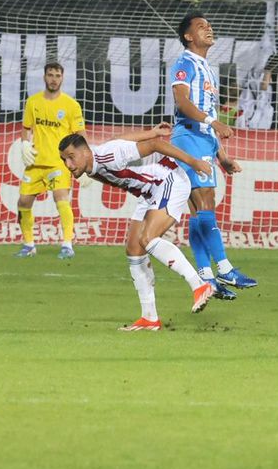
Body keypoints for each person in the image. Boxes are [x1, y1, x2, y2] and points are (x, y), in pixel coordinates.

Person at [58, 129, 216, 330]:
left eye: (71, 157)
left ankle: (199, 285)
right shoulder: (93, 162)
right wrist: (152, 131)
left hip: (168, 180)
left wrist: (193, 162)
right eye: (64, 160)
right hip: (148, 192)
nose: (68, 164)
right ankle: (149, 318)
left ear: (85, 151)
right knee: (134, 250)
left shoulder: (108, 156)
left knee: (147, 239)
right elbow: (118, 139)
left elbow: (156, 145)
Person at [169, 13, 258, 301]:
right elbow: (182, 103)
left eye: (209, 25)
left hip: (204, 141)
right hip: (189, 137)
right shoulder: (184, 63)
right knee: (205, 200)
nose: (208, 29)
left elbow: (207, 113)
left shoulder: (207, 68)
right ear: (188, 36)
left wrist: (222, 156)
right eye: (201, 27)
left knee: (199, 210)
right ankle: (225, 269)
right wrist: (213, 122)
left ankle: (206, 277)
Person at [15, 62, 86, 259]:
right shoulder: (33, 102)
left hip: (58, 162)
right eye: (50, 75)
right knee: (23, 201)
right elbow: (26, 128)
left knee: (61, 198)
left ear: (62, 78)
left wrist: (83, 161)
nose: (53, 79)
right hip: (36, 162)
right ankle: (28, 245)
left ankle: (67, 245)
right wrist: (24, 143)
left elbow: (81, 135)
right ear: (44, 77)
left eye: (57, 75)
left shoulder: (71, 105)